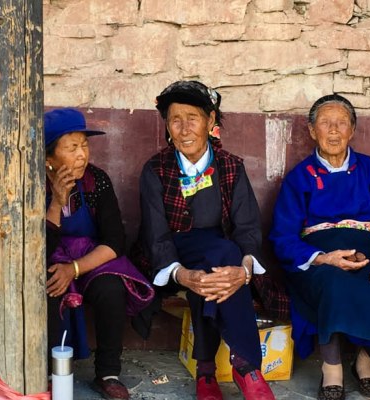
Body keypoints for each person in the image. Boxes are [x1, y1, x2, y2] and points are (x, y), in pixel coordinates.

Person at [269, 94, 370, 400]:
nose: (333, 130)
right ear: (312, 130)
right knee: (333, 284)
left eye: (341, 123)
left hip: (367, 256)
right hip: (320, 261)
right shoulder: (300, 177)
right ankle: (332, 368)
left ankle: (365, 362)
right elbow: (282, 236)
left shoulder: (368, 170)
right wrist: (322, 258)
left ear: (352, 130)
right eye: (325, 123)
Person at [136, 80, 275, 400]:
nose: (184, 129)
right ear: (167, 126)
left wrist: (244, 270)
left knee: (215, 269)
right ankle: (247, 368)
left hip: (221, 254)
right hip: (172, 251)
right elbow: (155, 234)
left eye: (193, 118)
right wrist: (182, 274)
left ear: (210, 120)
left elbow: (247, 227)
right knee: (221, 256)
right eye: (175, 120)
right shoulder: (156, 169)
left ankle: (206, 372)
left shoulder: (230, 166)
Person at [42, 108, 156, 400]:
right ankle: (50, 373)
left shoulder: (97, 181)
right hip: (47, 257)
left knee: (111, 289)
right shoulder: (32, 185)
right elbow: (38, 247)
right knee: (48, 287)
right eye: (71, 148)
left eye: (84, 145)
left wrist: (74, 268)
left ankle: (107, 373)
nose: (82, 155)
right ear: (48, 158)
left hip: (89, 258)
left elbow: (115, 241)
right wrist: (56, 202)